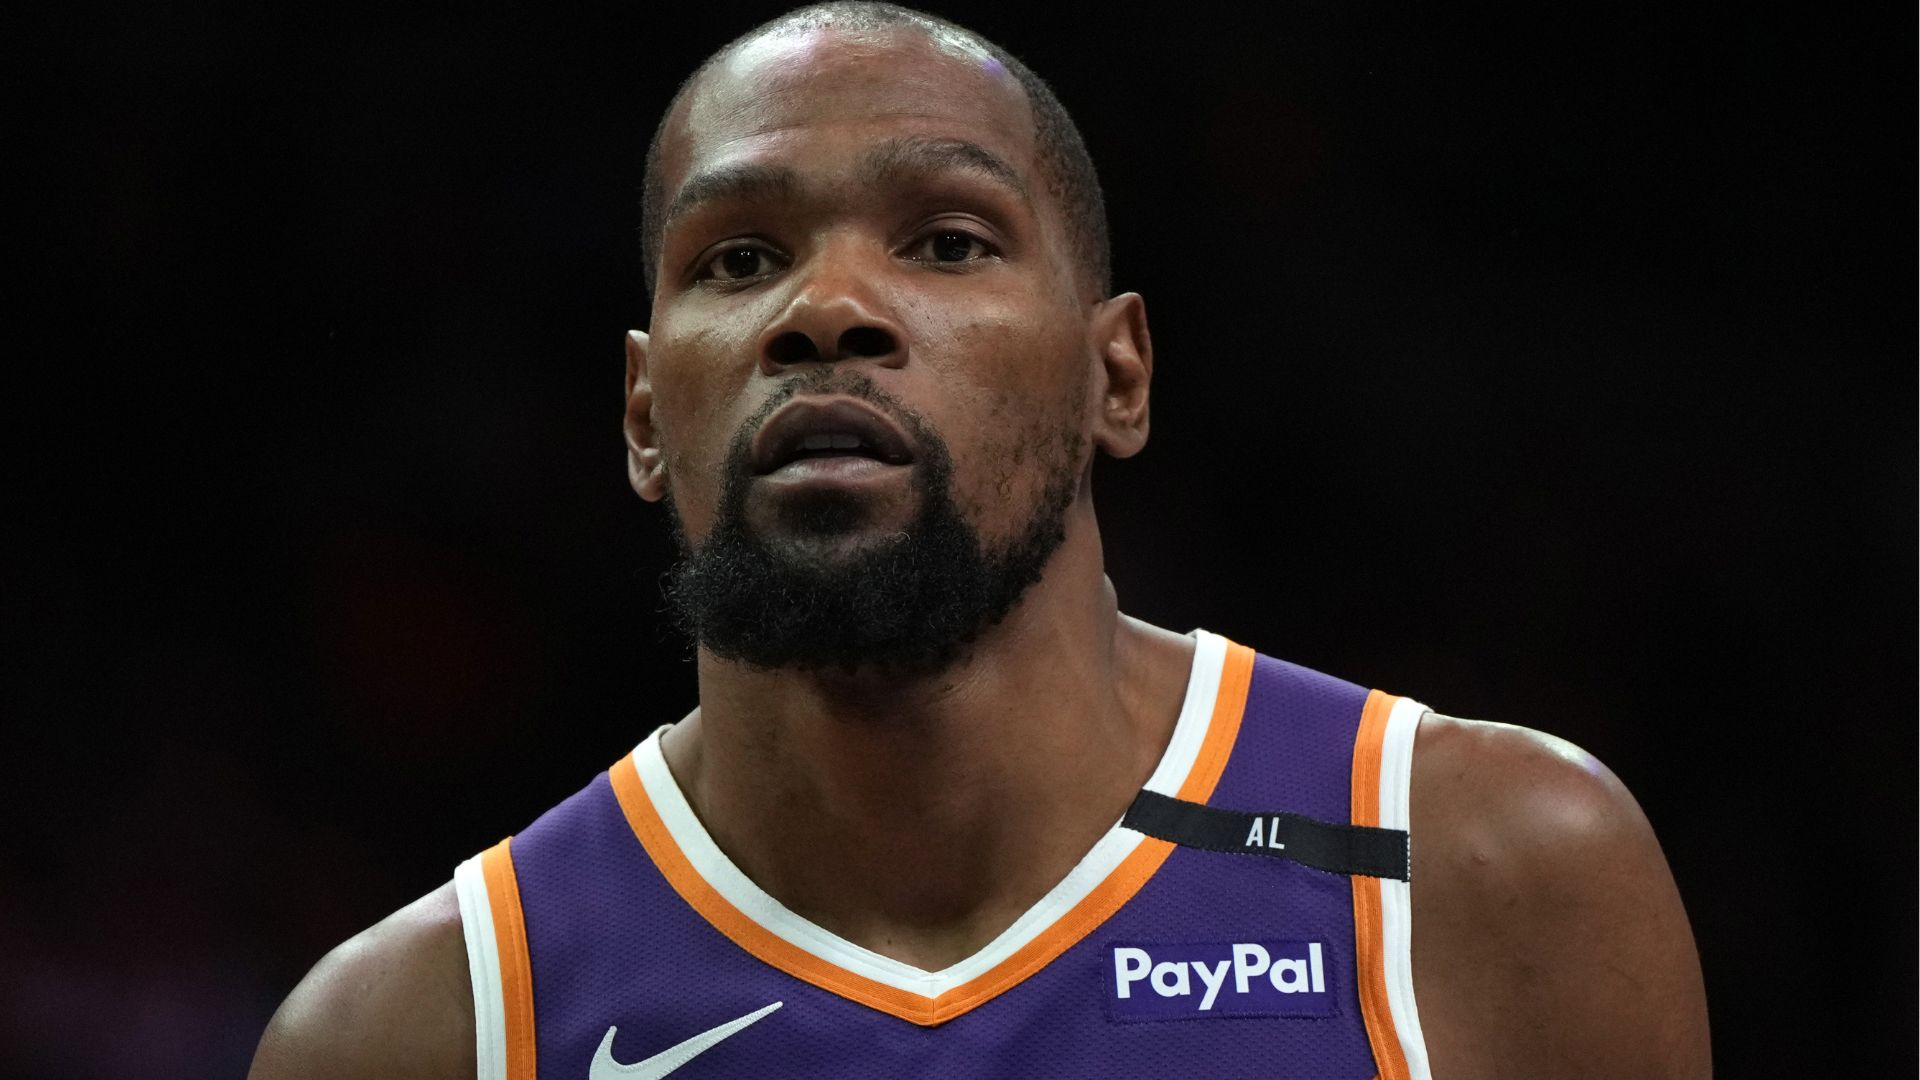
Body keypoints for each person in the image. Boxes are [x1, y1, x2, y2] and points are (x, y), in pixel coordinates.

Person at [248, 4, 1711, 1077]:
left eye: (947, 240)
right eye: (738, 258)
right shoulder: (423, 1030)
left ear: (1115, 377)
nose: (824, 310)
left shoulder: (1485, 877)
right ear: (644, 412)